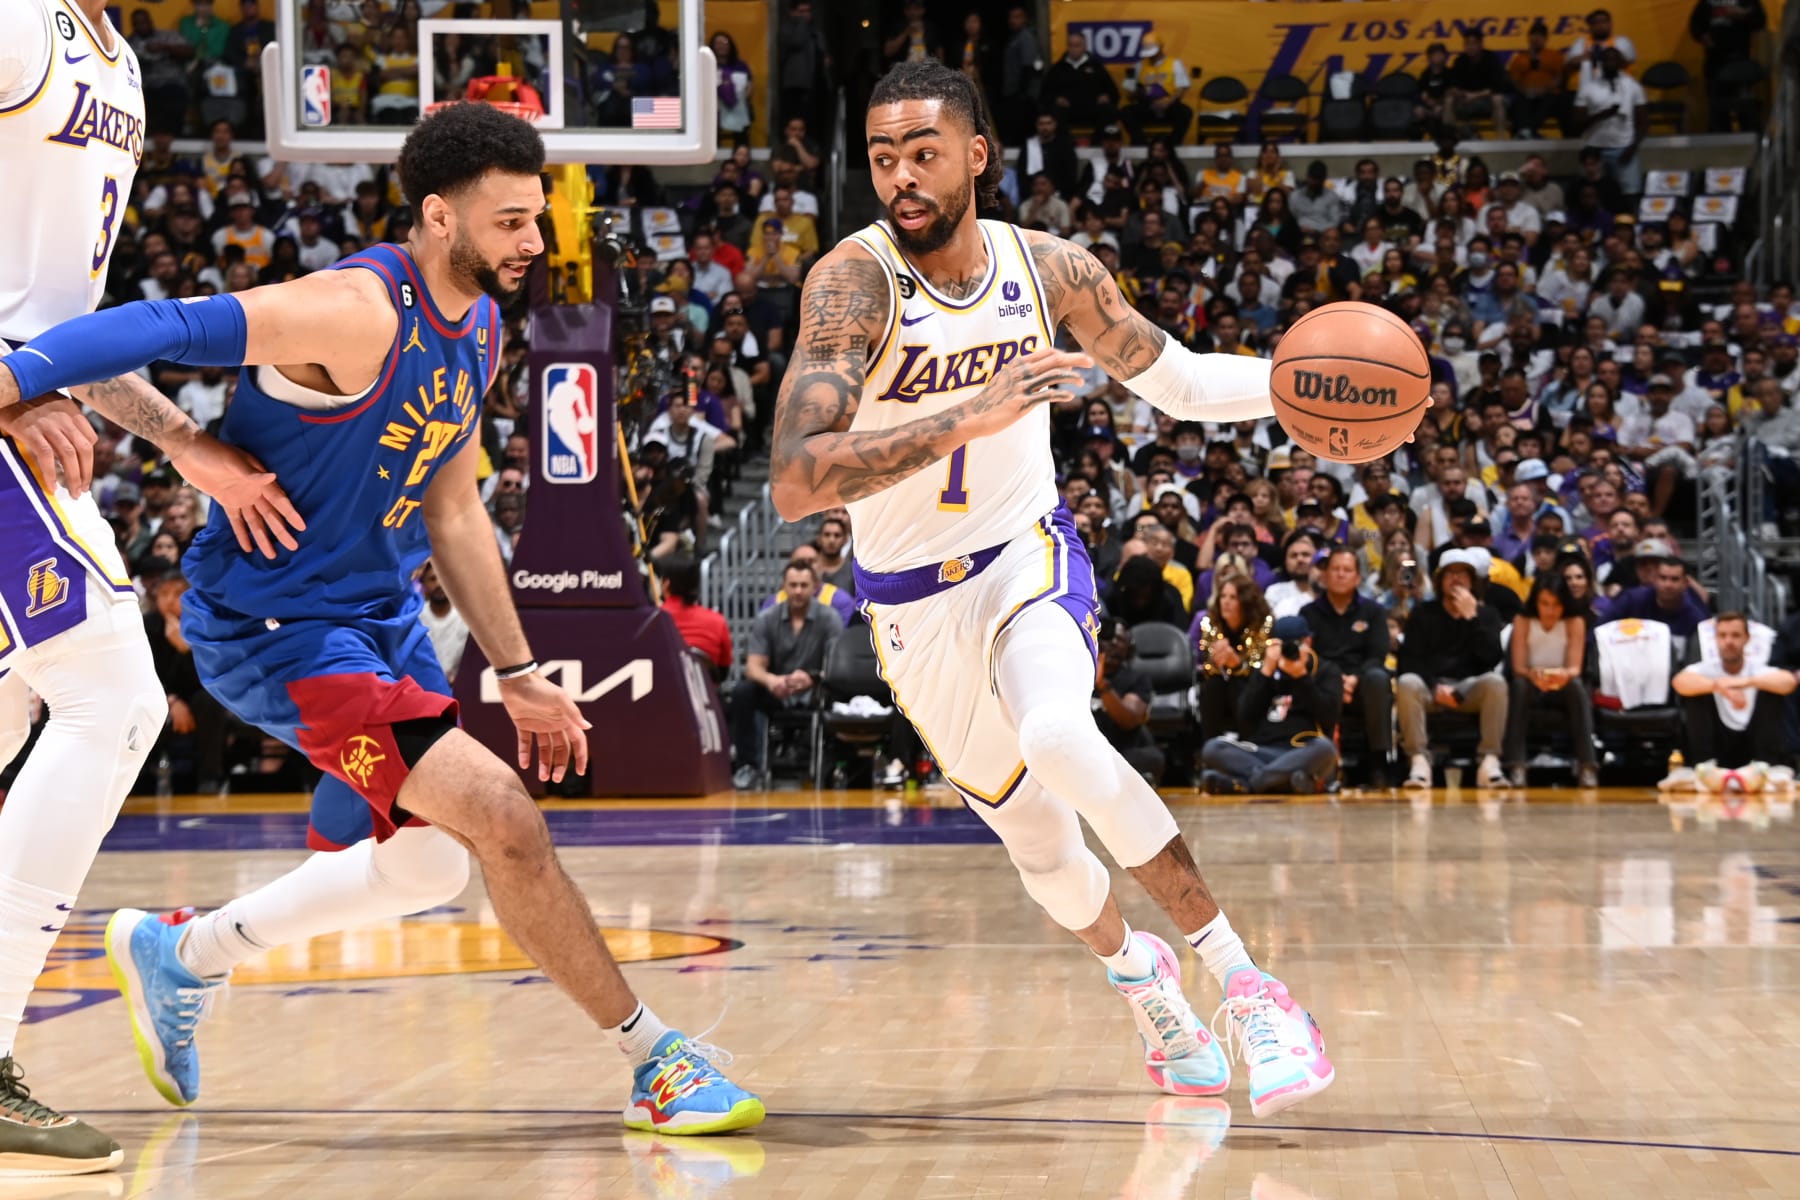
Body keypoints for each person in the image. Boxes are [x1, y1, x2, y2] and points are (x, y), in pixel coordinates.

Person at [1, 106, 762, 1138]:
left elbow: (452, 510)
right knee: (503, 822)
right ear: (439, 217)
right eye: (509, 223)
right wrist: (138, 424)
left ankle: (182, 955)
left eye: (536, 221)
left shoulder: (480, 326)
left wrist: (522, 668)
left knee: (429, 864)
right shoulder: (355, 311)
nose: (532, 243)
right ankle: (654, 1059)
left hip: (379, 612)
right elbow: (161, 325)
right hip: (281, 625)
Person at [768, 60, 1333, 1118]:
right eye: (884, 157)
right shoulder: (855, 284)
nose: (902, 176)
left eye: (924, 153)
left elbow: (1177, 378)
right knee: (1043, 848)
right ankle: (1142, 983)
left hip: (1025, 558)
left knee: (1063, 736)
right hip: (905, 605)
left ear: (978, 154)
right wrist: (970, 417)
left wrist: (1291, 389)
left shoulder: (1053, 272)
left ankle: (1250, 987)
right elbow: (798, 480)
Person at [0, 0, 306, 1173]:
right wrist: (14, 383)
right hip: (9, 418)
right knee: (112, 695)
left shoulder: (114, 58)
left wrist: (183, 439)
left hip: (34, 412)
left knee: (24, 702)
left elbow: (66, 323)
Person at [1395, 551, 1510, 789]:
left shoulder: (1487, 614)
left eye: (1462, 573)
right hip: (1431, 688)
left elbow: (1490, 660)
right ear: (1439, 580)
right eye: (1450, 573)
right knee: (1407, 682)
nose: (1456, 579)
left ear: (1472, 580)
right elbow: (1409, 661)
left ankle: (1489, 760)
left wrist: (1472, 620)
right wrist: (1436, 686)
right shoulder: (1423, 613)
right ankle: (1418, 760)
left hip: (1468, 688)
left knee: (1496, 683)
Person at [732, 558, 842, 787]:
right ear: (783, 586)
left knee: (843, 689)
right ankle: (748, 766)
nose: (798, 591)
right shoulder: (767, 618)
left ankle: (834, 768)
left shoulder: (830, 618)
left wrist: (813, 678)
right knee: (743, 692)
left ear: (815, 587)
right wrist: (772, 681)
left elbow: (837, 665)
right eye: (793, 585)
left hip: (816, 690)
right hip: (778, 690)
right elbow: (753, 666)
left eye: (804, 585)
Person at [1199, 616, 1338, 796]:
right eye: (1282, 645)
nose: (1288, 650)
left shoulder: (1325, 671)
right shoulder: (1264, 670)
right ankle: (1286, 782)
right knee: (1213, 748)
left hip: (1302, 752)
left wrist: (1302, 678)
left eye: (1295, 644)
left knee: (1326, 749)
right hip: (1260, 751)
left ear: (1308, 642)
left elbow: (1329, 718)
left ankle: (1250, 783)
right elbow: (1244, 717)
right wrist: (1266, 672)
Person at [1303, 549, 1395, 788]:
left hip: (1361, 684)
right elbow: (1309, 656)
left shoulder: (1373, 612)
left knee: (1378, 678)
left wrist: (1354, 678)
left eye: (1347, 570)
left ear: (1357, 578)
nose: (1341, 575)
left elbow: (1377, 653)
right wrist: (1334, 679)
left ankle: (1379, 764)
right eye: (1335, 569)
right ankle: (1321, 765)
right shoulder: (1309, 613)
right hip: (1324, 684)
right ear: (1324, 576)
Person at [1504, 576, 1598, 787]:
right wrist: (1534, 675)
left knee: (1576, 685)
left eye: (1556, 604)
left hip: (1561, 686)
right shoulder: (1523, 620)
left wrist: (1562, 675)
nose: (1550, 610)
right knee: (1518, 685)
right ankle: (1516, 765)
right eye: (1544, 604)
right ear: (1535, 602)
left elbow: (1575, 668)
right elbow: (1518, 666)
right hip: (1531, 683)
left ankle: (1587, 765)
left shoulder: (1575, 622)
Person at [1672, 612, 1795, 768]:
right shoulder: (1705, 669)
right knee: (1695, 691)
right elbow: (1679, 682)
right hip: (1718, 746)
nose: (1728, 641)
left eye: (1735, 635)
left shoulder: (1757, 669)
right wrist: (1719, 686)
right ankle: (1704, 766)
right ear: (1715, 639)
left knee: (1771, 690)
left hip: (1753, 747)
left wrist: (1743, 682)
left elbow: (1789, 682)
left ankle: (1766, 765)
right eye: (1722, 635)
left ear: (1747, 638)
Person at [1093, 619, 1162, 786]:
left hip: (1121, 752)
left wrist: (1102, 686)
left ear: (1129, 648)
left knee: (1153, 758)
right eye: (1109, 638)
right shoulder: (1080, 673)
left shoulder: (1137, 679)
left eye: (1120, 640)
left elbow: (1129, 720)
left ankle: (1103, 774)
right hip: (1085, 750)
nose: (1113, 644)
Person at [660, 555, 732, 677]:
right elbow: (723, 672)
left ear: (666, 584)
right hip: (705, 693)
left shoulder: (650, 621)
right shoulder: (717, 620)